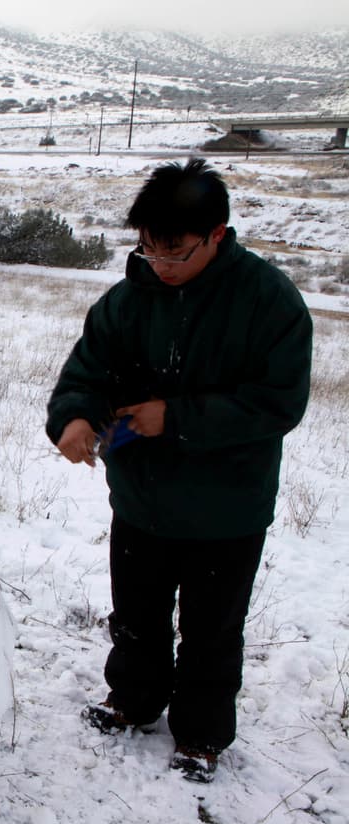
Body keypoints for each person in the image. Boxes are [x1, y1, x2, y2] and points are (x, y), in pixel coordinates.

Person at [46, 158, 312, 783]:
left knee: (212, 629)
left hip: (228, 507)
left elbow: (279, 403)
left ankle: (201, 733)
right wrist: (74, 419)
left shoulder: (268, 301)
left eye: (176, 254)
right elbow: (87, 372)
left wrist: (180, 417)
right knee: (135, 615)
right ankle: (132, 701)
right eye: (149, 251)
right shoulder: (128, 300)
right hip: (142, 498)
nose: (160, 267)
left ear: (218, 234)